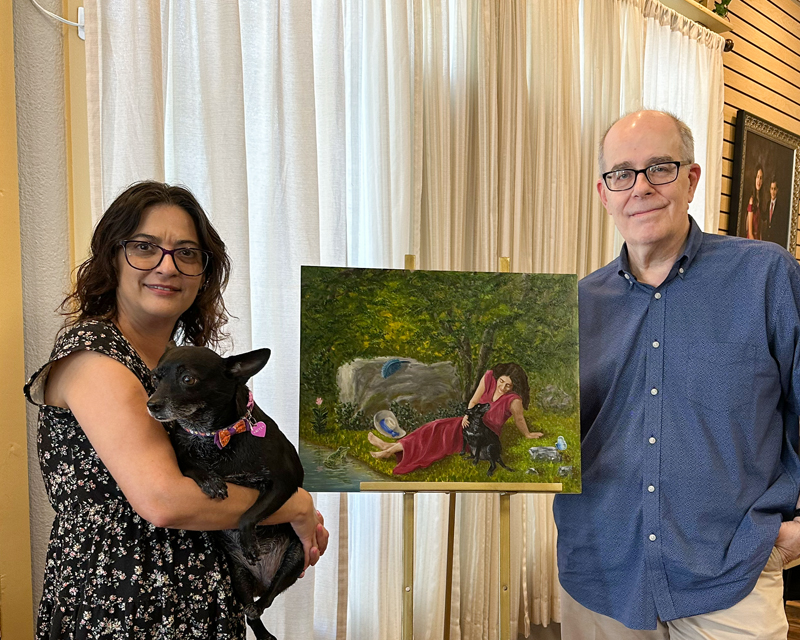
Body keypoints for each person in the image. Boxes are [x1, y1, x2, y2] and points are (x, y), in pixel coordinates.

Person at [24, 181, 328, 639]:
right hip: (122, 609)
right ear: (112, 257)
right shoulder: (94, 356)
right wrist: (295, 506)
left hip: (199, 604)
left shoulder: (177, 363)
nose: (167, 266)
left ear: (204, 273)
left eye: (187, 253)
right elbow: (165, 501)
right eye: (145, 247)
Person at [553, 110, 800, 638]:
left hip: (733, 574)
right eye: (622, 173)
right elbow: (552, 435)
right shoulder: (575, 305)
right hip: (601, 574)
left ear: (692, 179)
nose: (640, 188)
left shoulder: (766, 276)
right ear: (603, 193)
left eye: (659, 168)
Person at [367, 363, 543, 474]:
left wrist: (527, 434)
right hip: (469, 422)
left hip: (483, 435)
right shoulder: (489, 377)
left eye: (509, 385)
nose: (503, 387)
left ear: (514, 386)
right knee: (434, 426)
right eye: (502, 381)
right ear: (498, 376)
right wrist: (467, 415)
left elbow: (519, 419)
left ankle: (391, 449)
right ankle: (390, 447)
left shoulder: (514, 400)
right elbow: (474, 400)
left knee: (437, 433)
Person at [762, 176, 787, 246]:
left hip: (775, 241)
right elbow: (765, 217)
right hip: (767, 239)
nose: (773, 192)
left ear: (777, 190)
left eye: (774, 189)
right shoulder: (768, 204)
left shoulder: (780, 207)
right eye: (771, 189)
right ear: (770, 190)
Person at [744, 163, 765, 239]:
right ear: (754, 178)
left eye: (761, 178)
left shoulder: (761, 202)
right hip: (751, 240)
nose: (759, 180)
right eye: (757, 177)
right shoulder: (751, 201)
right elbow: (750, 232)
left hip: (758, 240)